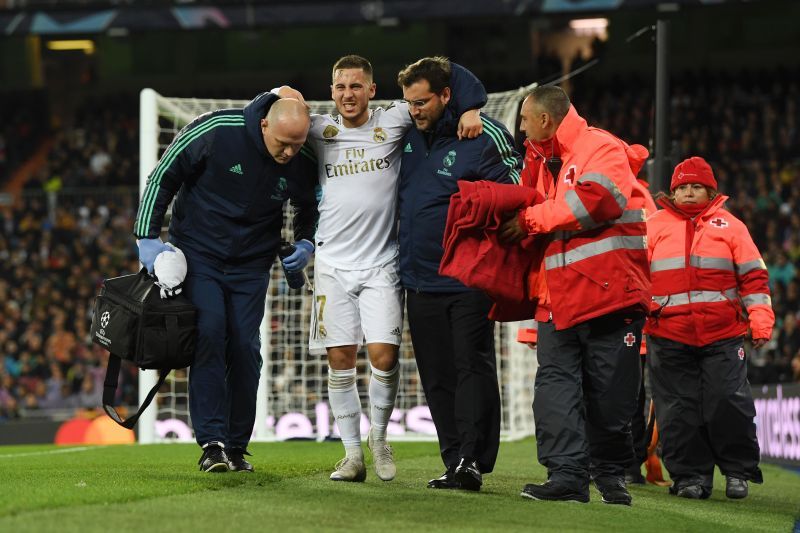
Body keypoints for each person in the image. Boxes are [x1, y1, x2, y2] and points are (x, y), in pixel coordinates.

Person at [278, 55, 486, 483]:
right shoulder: (317, 130)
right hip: (332, 264)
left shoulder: (395, 120)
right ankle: (352, 456)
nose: (347, 95)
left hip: (381, 263)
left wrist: (471, 107)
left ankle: (379, 438)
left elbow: (446, 75)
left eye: (356, 86)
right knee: (339, 360)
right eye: (340, 87)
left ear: (372, 91)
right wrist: (287, 96)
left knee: (384, 357)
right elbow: (272, 108)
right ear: (331, 90)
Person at [134, 95, 319, 473]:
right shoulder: (216, 130)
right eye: (283, 142)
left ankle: (237, 445)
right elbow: (164, 173)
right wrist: (147, 238)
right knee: (210, 332)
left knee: (245, 348)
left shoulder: (303, 157)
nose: (289, 152)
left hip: (252, 264)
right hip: (200, 255)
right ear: (265, 124)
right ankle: (212, 443)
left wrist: (306, 241)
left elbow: (309, 207)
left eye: (297, 144)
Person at [499, 86, 651, 505]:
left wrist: (531, 219)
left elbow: (595, 201)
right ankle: (567, 475)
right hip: (558, 300)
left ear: (545, 120)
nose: (522, 131)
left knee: (610, 395)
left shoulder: (600, 147)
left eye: (525, 122)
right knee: (555, 391)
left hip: (607, 295)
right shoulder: (543, 162)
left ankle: (610, 474)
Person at [397, 56, 522, 492]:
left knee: (472, 365)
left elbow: (517, 187)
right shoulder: (406, 133)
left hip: (468, 277)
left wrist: (474, 105)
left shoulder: (481, 133)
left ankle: (472, 458)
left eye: (423, 101)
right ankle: (454, 460)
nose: (415, 110)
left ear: (447, 94)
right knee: (436, 374)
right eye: (410, 102)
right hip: (418, 277)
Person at [645, 156, 773, 499]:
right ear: (673, 192)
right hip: (668, 334)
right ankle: (689, 478)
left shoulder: (731, 227)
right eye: (682, 187)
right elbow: (636, 277)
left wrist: (760, 321)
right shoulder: (652, 225)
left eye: (695, 186)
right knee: (677, 410)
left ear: (709, 190)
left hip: (723, 335)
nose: (688, 193)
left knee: (728, 401)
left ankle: (737, 471)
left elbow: (754, 278)